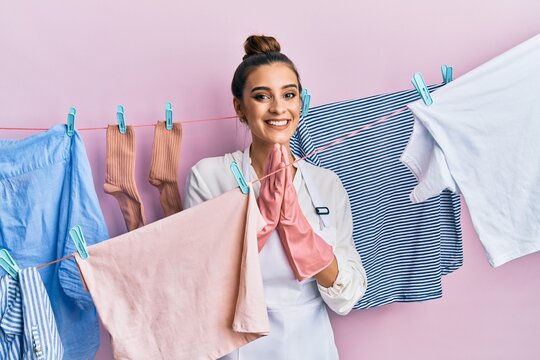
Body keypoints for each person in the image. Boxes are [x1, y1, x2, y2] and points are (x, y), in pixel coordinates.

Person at [183, 34, 367, 359]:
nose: (279, 108)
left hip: (313, 346)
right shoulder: (209, 177)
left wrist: (299, 231)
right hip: (240, 347)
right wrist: (262, 220)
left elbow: (347, 296)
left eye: (289, 94)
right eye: (261, 96)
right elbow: (202, 284)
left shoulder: (326, 184)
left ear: (301, 102)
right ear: (239, 107)